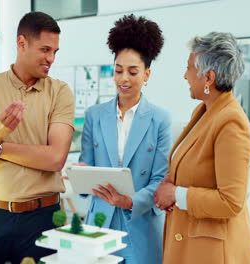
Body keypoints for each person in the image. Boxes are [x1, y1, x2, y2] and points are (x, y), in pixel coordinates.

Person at [0, 12, 74, 264]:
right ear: (22, 43)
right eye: (45, 49)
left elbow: (56, 158)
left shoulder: (60, 91)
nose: (51, 58)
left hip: (43, 219)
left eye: (55, 52)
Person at [78, 14, 172, 264]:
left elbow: (160, 179)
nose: (124, 79)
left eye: (132, 71)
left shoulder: (160, 119)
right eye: (118, 70)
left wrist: (130, 200)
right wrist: (80, 175)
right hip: (100, 221)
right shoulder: (94, 116)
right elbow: (86, 169)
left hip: (139, 221)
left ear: (147, 74)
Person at [154, 32, 250, 263]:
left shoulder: (231, 121)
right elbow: (200, 167)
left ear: (208, 77)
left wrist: (176, 194)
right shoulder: (204, 112)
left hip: (213, 251)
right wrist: (173, 178)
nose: (185, 75)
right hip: (190, 241)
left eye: (189, 68)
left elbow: (231, 201)